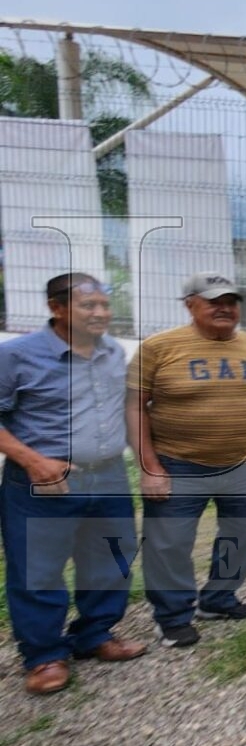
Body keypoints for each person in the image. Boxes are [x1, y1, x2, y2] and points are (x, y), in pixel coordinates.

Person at [129, 273, 246, 648]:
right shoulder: (158, 347)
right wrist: (149, 466)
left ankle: (218, 599)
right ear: (190, 304)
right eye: (214, 301)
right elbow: (134, 407)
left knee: (242, 536)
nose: (225, 308)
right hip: (177, 464)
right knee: (169, 545)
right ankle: (172, 617)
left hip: (243, 462)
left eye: (231, 302)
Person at [0, 273, 143, 694]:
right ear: (56, 308)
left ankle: (94, 634)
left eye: (104, 305)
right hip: (44, 481)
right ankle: (44, 656)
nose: (100, 313)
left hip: (109, 476)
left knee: (112, 558)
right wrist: (32, 460)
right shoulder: (16, 355)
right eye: (88, 306)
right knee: (38, 569)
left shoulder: (113, 351)